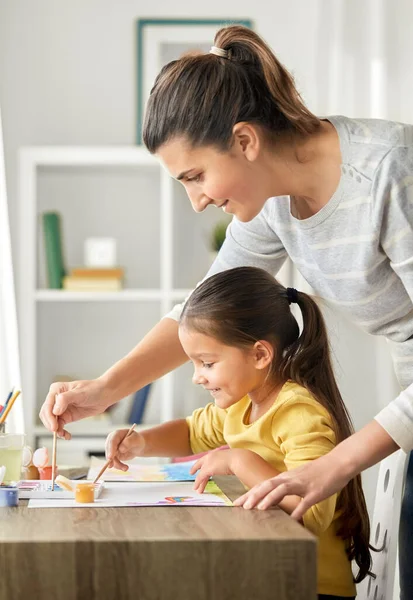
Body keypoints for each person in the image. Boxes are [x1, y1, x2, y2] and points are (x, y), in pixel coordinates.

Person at [39, 25, 413, 596]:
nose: (198, 202)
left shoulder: (389, 172)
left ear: (244, 141)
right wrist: (105, 389)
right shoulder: (272, 205)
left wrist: (333, 466)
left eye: (195, 177)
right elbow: (200, 307)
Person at [106, 266, 372, 599]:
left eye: (206, 363)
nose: (197, 377)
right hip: (262, 573)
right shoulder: (239, 403)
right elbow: (192, 432)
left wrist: (239, 462)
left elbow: (309, 516)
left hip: (310, 585)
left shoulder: (299, 412)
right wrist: (141, 442)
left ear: (260, 354)